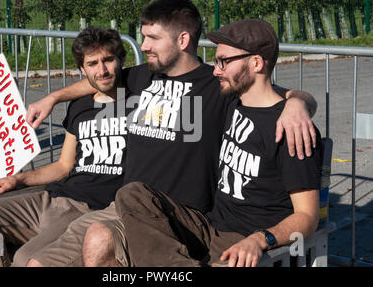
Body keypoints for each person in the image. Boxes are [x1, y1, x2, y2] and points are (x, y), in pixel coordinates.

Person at [25, 0, 317, 268]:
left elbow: (265, 93)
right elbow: (100, 81)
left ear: (182, 40)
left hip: (194, 220)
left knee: (100, 237)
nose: (144, 45)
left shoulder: (224, 92)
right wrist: (53, 98)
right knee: (49, 254)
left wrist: (297, 103)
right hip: (148, 210)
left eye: (152, 38)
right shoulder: (143, 78)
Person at [112, 19, 322, 267]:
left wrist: (260, 239)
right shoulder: (232, 103)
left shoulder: (290, 130)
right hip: (209, 228)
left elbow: (308, 217)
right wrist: (298, 101)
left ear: (256, 62)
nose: (215, 70)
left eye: (224, 61)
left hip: (244, 245)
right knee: (132, 193)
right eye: (216, 61)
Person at [0, 27, 129, 267]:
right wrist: (17, 180)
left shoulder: (137, 96)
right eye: (92, 63)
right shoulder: (80, 106)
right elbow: (63, 165)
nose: (101, 70)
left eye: (108, 60)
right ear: (82, 69)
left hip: (89, 209)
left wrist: (54, 97)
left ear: (121, 60)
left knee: (24, 259)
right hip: (53, 197)